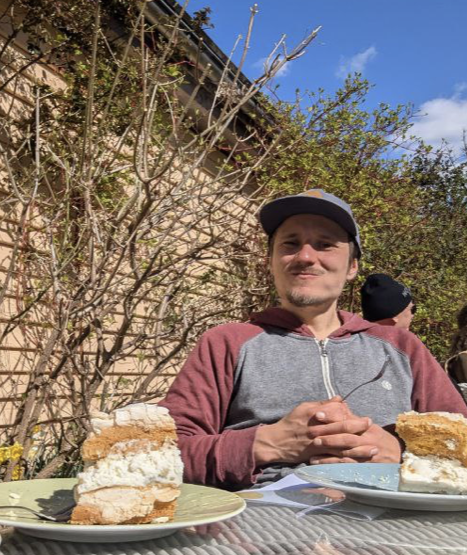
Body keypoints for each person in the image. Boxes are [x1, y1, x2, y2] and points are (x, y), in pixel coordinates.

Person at [161, 189, 467, 490]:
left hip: (398, 524)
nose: (306, 257)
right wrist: (264, 445)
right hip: (263, 530)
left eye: (325, 245)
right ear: (271, 262)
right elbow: (164, 453)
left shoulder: (402, 347)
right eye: (290, 244)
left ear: (352, 267)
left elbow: (461, 440)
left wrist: (402, 453)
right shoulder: (226, 343)